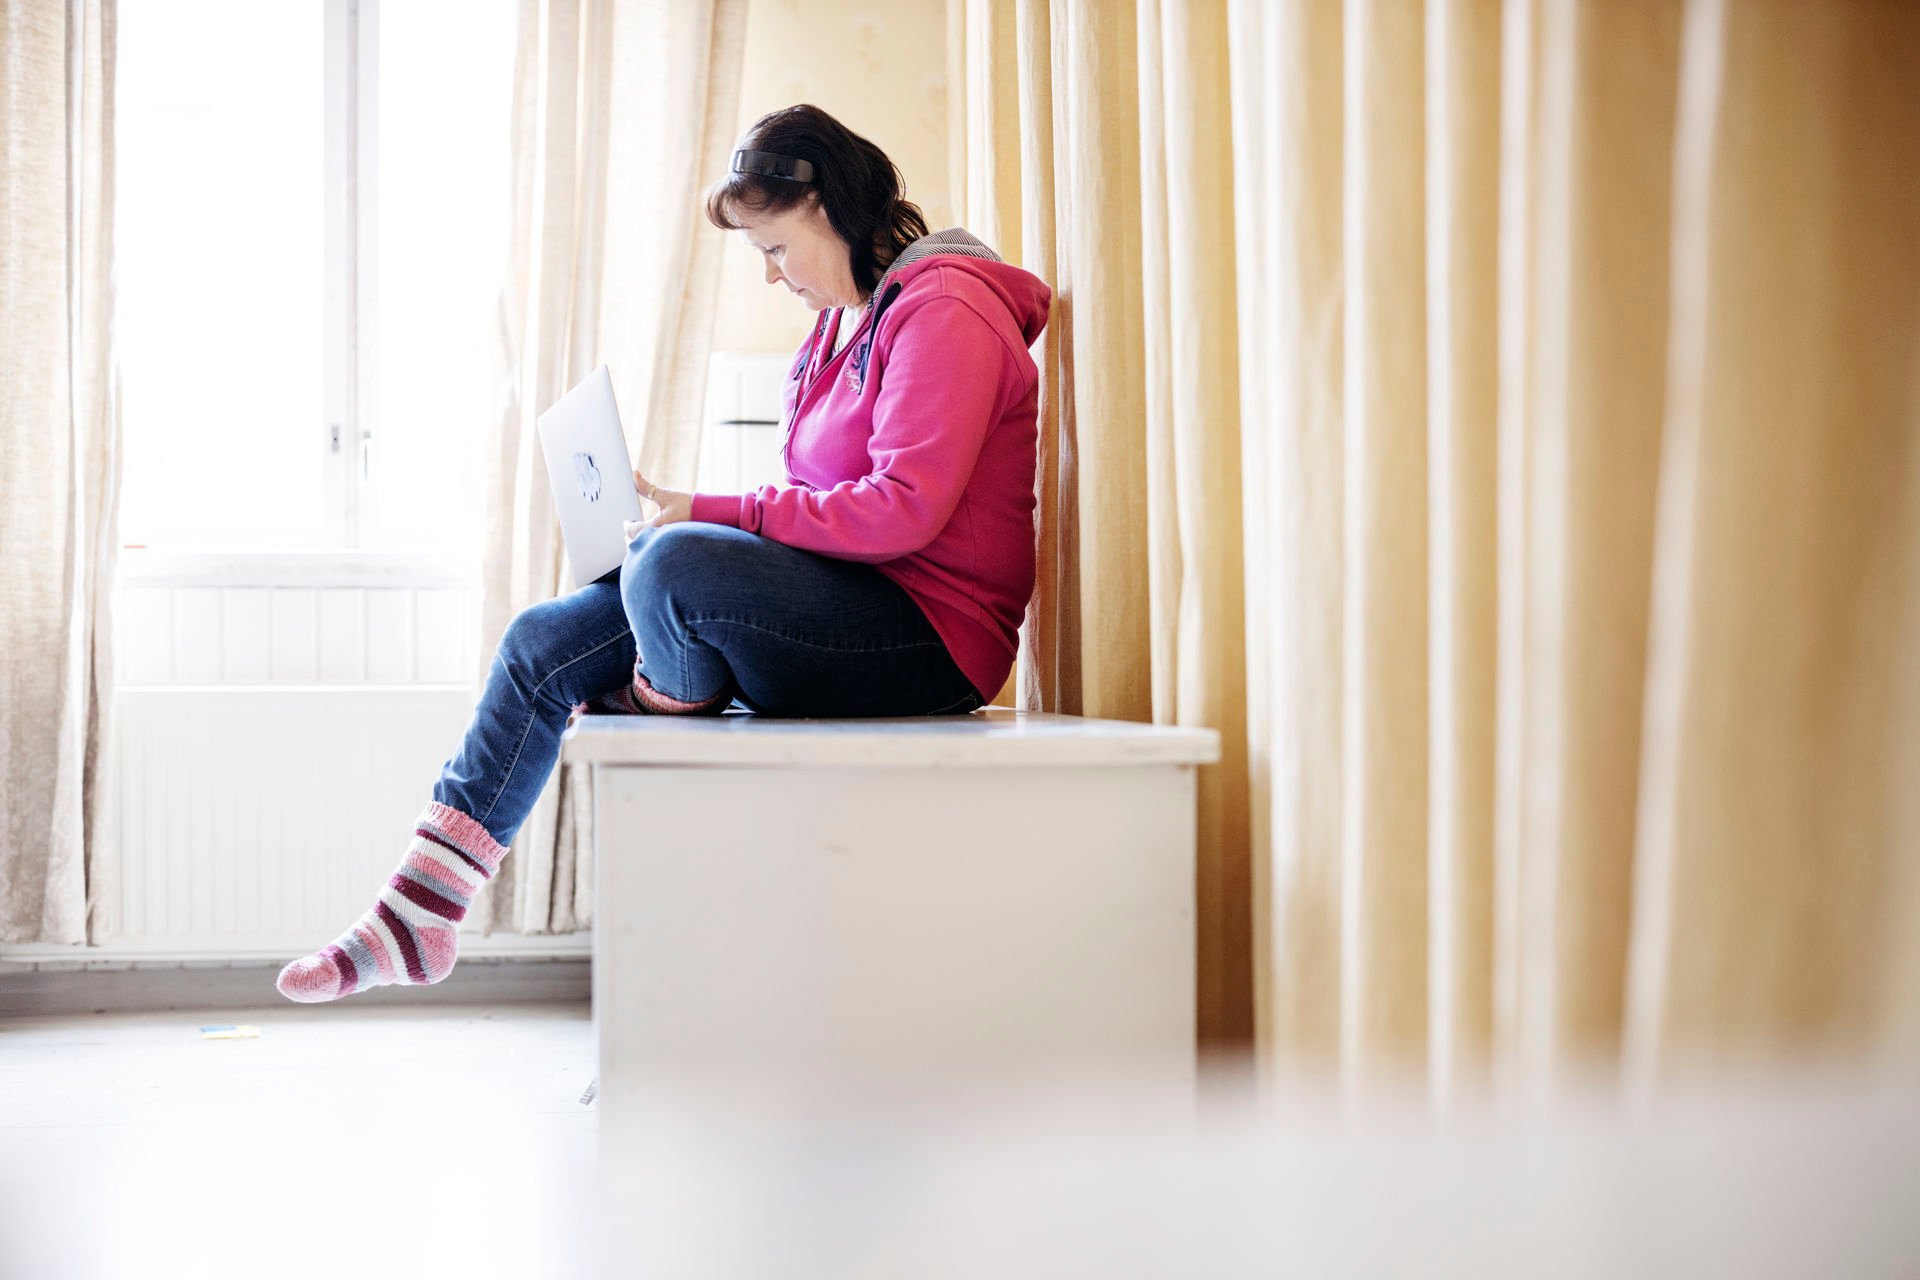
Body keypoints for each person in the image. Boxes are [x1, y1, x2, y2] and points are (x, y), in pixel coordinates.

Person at [274, 103, 1053, 1003]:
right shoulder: (844, 325)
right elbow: (818, 504)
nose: (770, 277)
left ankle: (673, 689)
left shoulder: (946, 309)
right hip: (845, 605)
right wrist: (695, 530)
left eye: (772, 249)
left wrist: (708, 517)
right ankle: (416, 916)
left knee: (675, 564)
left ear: (835, 209)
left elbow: (903, 510)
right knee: (542, 640)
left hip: (928, 640)